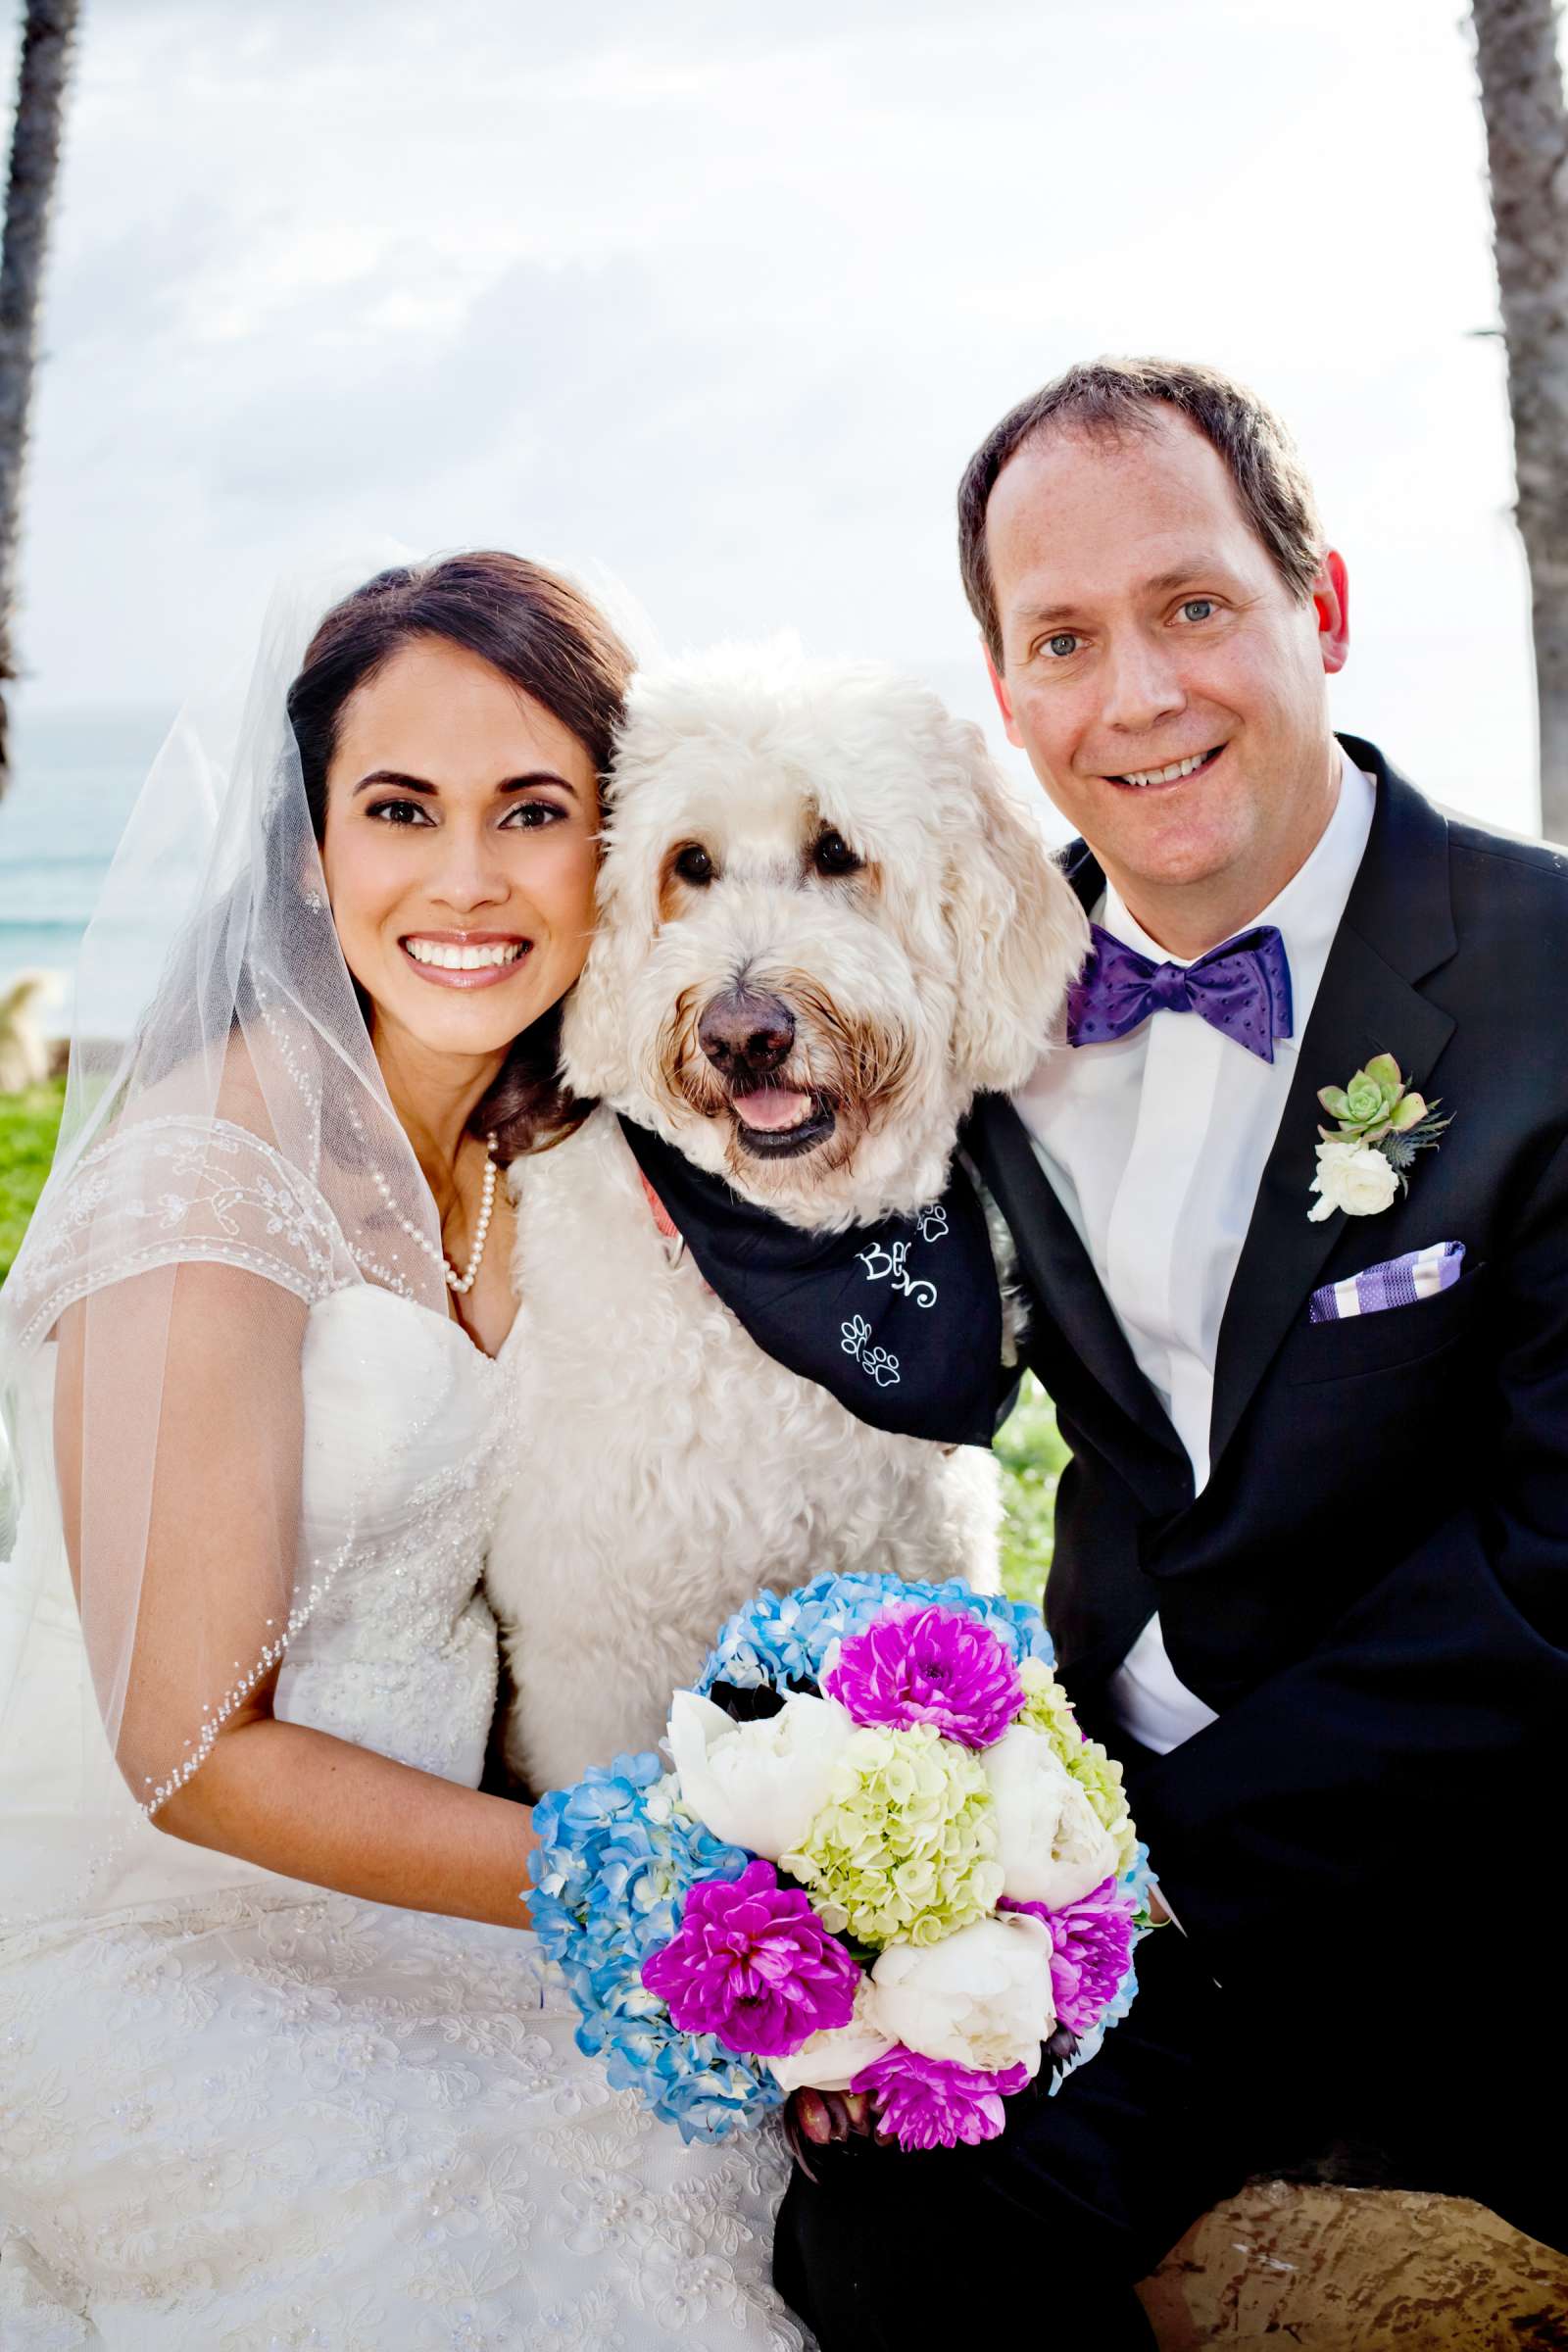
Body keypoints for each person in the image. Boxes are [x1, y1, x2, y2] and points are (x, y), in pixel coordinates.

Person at [774, 358, 1568, 2348]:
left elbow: (1550, 1568)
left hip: (1485, 1879)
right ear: (1005, 690)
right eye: (1062, 639)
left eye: (1189, 606)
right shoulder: (970, 1001)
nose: (1133, 695)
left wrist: (1143, 1870)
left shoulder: (1550, 981)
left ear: (1320, 606)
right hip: (1126, 1917)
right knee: (867, 2259)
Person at [0, 553, 808, 2349]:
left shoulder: (557, 1153)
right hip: (159, 1933)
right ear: (310, 853)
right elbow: (192, 1755)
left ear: (613, 845)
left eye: (533, 812)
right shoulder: (203, 1193)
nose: (465, 881)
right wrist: (646, 1872)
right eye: (398, 811)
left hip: (438, 1898)